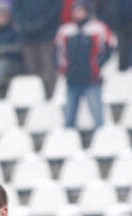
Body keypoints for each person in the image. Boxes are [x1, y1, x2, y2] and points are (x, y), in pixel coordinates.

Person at [56, 0, 115, 129]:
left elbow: (109, 47)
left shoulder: (98, 28)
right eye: (76, 11)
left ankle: (99, 138)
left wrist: (98, 64)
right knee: (69, 120)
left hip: (92, 79)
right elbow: (59, 52)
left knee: (98, 119)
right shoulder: (65, 30)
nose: (79, 14)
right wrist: (64, 70)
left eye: (81, 10)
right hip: (72, 80)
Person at [17, 0, 64, 98]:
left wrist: (41, 22)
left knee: (48, 67)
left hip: (47, 35)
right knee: (31, 69)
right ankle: (33, 96)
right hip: (27, 36)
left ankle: (51, 96)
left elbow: (56, 7)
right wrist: (25, 24)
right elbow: (16, 9)